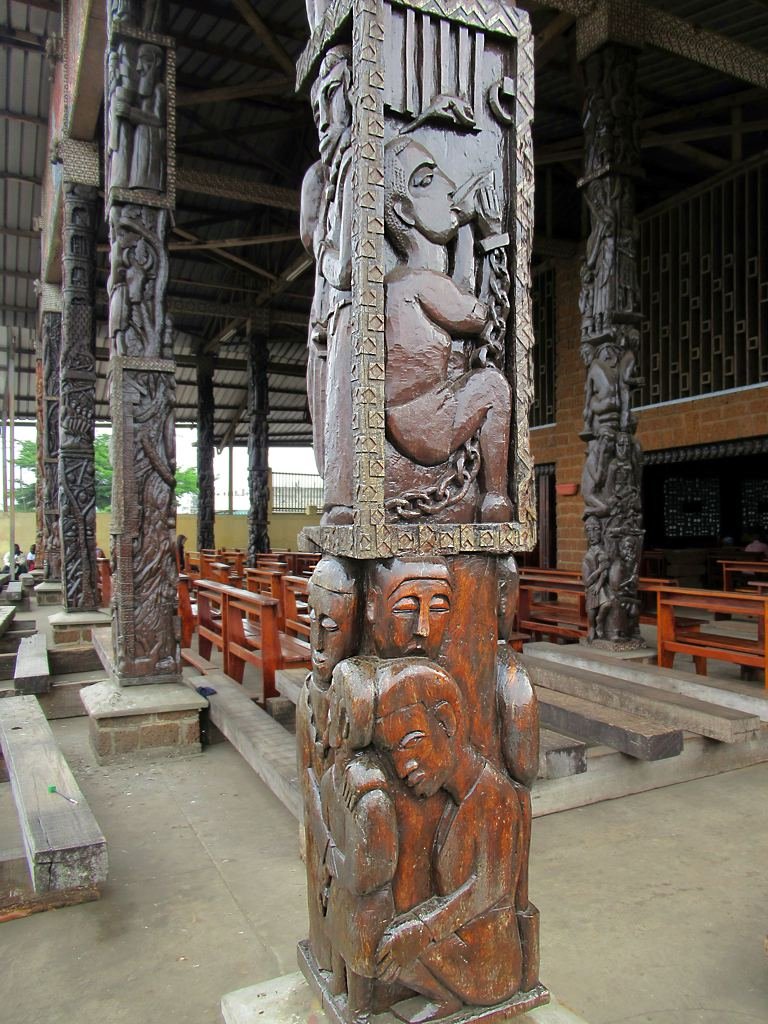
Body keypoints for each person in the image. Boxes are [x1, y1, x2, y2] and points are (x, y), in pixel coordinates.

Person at [372, 659, 524, 1023]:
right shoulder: (458, 801)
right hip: (460, 942)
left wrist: (424, 929)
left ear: (447, 723)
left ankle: (452, 997)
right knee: (377, 941)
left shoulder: (493, 795)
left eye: (412, 742)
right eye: (394, 753)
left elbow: (491, 886)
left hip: (488, 960)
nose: (403, 766)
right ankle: (445, 997)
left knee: (388, 947)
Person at [383, 137, 513, 523]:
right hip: (425, 423)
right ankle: (495, 498)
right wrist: (490, 234)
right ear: (404, 211)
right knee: (492, 386)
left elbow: (458, 293)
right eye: (426, 180)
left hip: (417, 417)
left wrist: (465, 226)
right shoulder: (418, 282)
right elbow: (478, 314)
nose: (447, 184)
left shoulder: (404, 280)